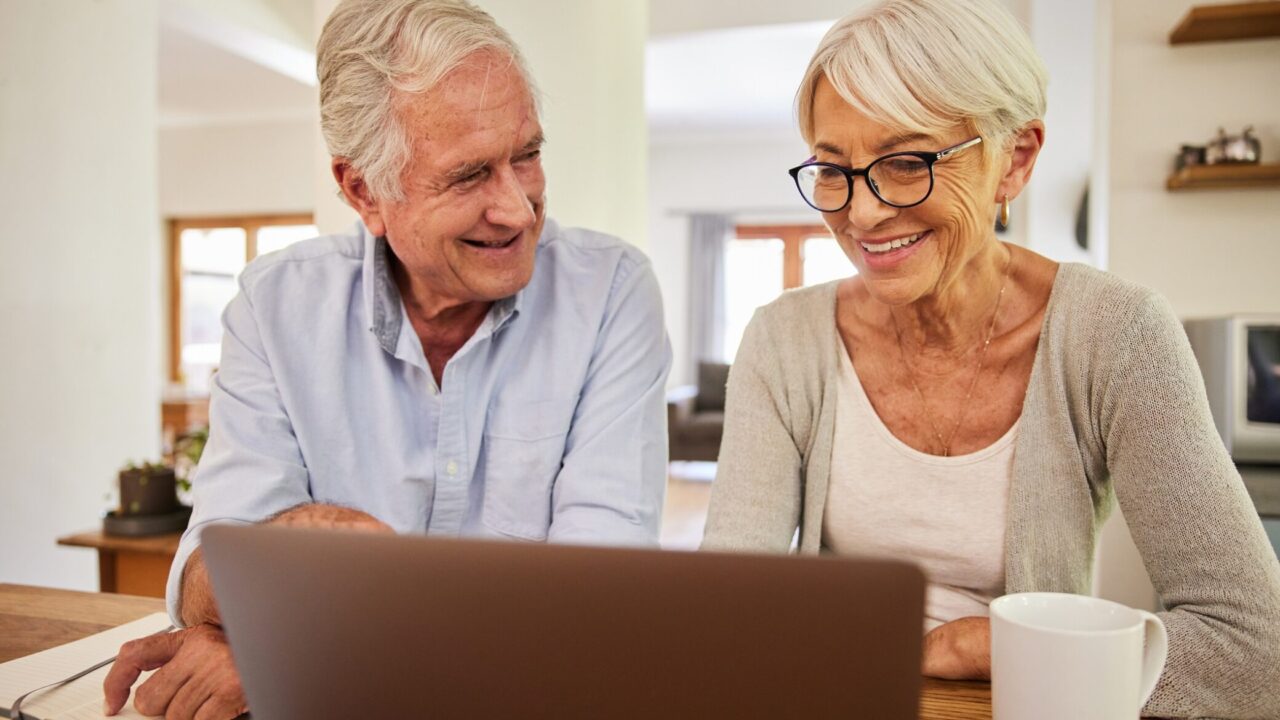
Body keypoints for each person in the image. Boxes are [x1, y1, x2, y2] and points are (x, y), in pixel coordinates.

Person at [700, 0, 1280, 717]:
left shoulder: (1116, 333)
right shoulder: (783, 339)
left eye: (907, 162)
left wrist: (988, 646)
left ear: (1016, 158)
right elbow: (725, 609)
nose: (862, 214)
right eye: (832, 168)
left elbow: (1255, 650)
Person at [103, 1, 670, 718]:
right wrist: (313, 543)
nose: (519, 209)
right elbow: (205, 576)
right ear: (362, 190)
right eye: (469, 176)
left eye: (526, 155)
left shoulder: (612, 294)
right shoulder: (275, 306)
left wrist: (299, 631)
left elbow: (599, 603)